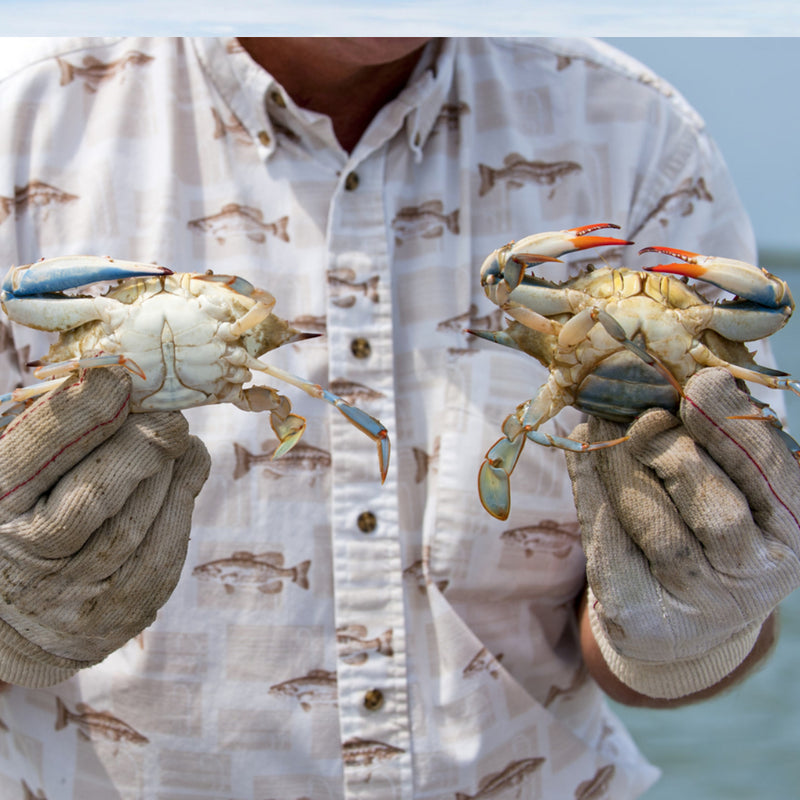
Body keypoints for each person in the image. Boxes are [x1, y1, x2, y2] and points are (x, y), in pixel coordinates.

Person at [0, 36, 797, 800]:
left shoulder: (639, 133)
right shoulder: (24, 117)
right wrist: (14, 625)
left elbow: (677, 631)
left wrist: (700, 626)